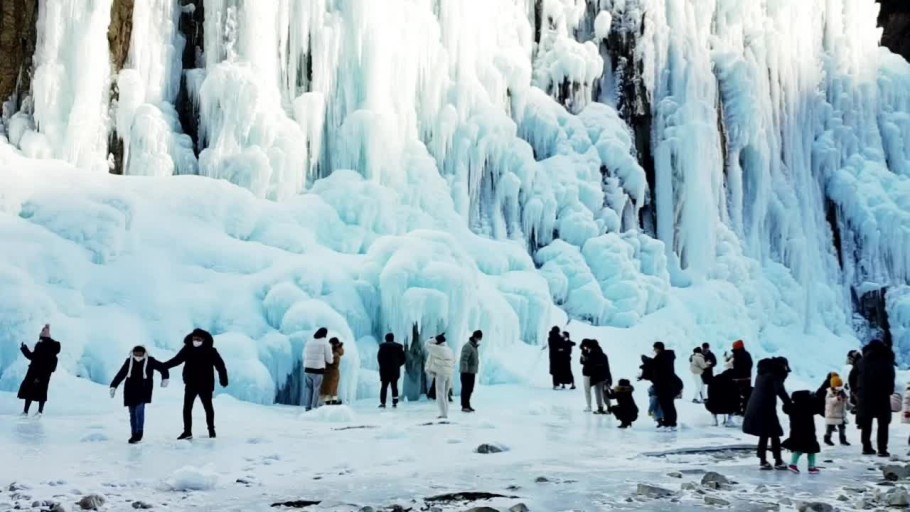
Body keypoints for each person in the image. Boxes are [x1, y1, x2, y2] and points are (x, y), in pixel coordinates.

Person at [164, 329, 229, 440]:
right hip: (191, 383)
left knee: (208, 408)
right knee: (187, 408)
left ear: (204, 340)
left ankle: (211, 431)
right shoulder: (188, 349)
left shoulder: (211, 351)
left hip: (206, 384)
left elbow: (220, 366)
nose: (196, 341)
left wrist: (224, 379)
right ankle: (187, 432)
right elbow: (177, 360)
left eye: (198, 339)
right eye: (194, 339)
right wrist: (163, 366)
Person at [109, 346, 170, 443]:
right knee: (132, 413)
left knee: (139, 411)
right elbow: (121, 374)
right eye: (136, 354)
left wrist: (165, 378)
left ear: (144, 353)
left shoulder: (150, 361)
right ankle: (134, 433)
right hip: (130, 389)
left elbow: (163, 367)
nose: (137, 356)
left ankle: (139, 433)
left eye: (140, 354)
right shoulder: (129, 361)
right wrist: (113, 386)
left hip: (143, 389)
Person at [743, 357, 791, 470]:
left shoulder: (763, 372)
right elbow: (780, 390)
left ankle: (763, 460)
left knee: (764, 434)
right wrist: (789, 404)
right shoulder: (773, 375)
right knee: (774, 434)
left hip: (756, 406)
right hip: (765, 408)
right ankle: (777, 460)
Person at [856, 339, 895, 457]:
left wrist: (857, 390)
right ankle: (882, 449)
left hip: (865, 397)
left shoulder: (861, 362)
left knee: (866, 423)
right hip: (882, 396)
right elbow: (891, 378)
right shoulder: (886, 361)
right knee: (883, 424)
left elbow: (853, 376)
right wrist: (889, 391)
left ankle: (866, 447)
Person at [18, 324, 61, 417]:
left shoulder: (48, 345)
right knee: (31, 390)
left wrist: (41, 375)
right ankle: (26, 411)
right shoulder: (41, 344)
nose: (43, 332)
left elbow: (42, 360)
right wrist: (24, 349)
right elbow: (33, 357)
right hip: (35, 371)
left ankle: (39, 412)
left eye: (44, 331)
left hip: (41, 373)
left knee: (40, 390)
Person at [782, 390, 821, 474]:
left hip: (796, 432)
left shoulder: (792, 407)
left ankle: (793, 464)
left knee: (798, 448)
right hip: (808, 432)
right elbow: (818, 407)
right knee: (811, 449)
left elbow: (785, 408)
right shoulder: (808, 407)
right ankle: (811, 467)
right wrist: (815, 398)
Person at [648, 341, 681, 431]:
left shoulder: (661, 357)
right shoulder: (667, 356)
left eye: (655, 348)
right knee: (669, 404)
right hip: (668, 384)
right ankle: (670, 422)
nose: (654, 350)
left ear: (658, 348)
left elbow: (654, 365)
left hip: (664, 385)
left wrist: (647, 360)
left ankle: (669, 422)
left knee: (666, 404)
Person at [302, 327, 334, 411]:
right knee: (316, 389)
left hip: (307, 369)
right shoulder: (325, 343)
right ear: (325, 334)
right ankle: (314, 407)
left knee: (308, 388)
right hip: (318, 370)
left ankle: (307, 407)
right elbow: (329, 360)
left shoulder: (309, 342)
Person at [425, 334, 455, 419]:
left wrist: (433, 339)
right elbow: (454, 361)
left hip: (441, 374)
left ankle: (443, 414)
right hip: (449, 374)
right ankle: (445, 412)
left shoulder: (437, 349)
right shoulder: (449, 350)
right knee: (445, 394)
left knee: (440, 394)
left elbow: (426, 344)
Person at [580, 339, 612, 414]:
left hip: (595, 376)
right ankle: (609, 407)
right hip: (604, 375)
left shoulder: (591, 354)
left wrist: (584, 353)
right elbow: (607, 367)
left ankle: (600, 407)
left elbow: (585, 362)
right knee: (604, 392)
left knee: (597, 391)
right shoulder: (603, 355)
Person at [377, 333, 406, 408]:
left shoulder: (382, 347)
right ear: (393, 338)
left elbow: (379, 358)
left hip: (384, 371)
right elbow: (403, 359)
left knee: (384, 387)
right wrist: (397, 365)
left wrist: (383, 366)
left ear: (386, 338)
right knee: (394, 386)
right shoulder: (398, 347)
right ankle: (395, 402)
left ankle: (383, 403)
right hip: (395, 371)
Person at [824, 374, 850, 446]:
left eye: (840, 386)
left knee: (842, 428)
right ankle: (827, 439)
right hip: (832, 414)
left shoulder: (842, 392)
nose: (839, 387)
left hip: (841, 415)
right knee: (830, 428)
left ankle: (843, 440)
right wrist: (837, 398)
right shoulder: (829, 393)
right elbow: (829, 401)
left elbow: (846, 402)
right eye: (837, 386)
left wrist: (851, 406)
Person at [459, 330, 482, 413]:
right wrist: (464, 370)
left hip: (471, 372)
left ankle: (467, 405)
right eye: (479, 338)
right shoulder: (468, 346)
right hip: (466, 372)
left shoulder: (474, 347)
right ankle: (464, 406)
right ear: (475, 337)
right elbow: (463, 359)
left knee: (470, 389)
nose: (479, 340)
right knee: (466, 389)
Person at [730, 339, 753, 415]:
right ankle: (745, 410)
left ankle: (737, 409)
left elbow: (736, 367)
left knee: (736, 395)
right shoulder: (747, 354)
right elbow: (750, 365)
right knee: (746, 395)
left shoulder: (737, 355)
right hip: (747, 378)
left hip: (738, 379)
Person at [320, 338, 344, 405]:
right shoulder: (337, 351)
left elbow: (330, 361)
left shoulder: (334, 353)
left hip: (330, 373)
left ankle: (329, 402)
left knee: (328, 388)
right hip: (334, 373)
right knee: (333, 388)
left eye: (330, 343)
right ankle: (333, 401)